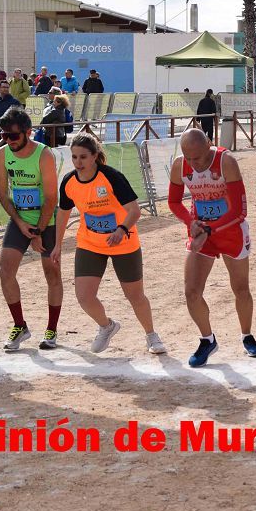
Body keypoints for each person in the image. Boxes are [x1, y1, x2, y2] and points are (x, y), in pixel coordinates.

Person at [51, 133, 166, 354]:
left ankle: (152, 336)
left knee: (135, 295)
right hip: (89, 242)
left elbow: (134, 210)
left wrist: (121, 229)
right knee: (84, 297)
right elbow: (63, 214)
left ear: (95, 156)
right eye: (74, 157)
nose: (78, 163)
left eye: (83, 157)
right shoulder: (69, 182)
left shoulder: (112, 177)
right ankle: (106, 326)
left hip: (123, 242)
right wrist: (57, 244)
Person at [167, 128, 256, 367]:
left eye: (198, 158)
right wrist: (191, 223)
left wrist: (210, 228)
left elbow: (239, 210)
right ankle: (207, 339)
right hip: (201, 230)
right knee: (191, 291)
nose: (193, 164)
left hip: (230, 230)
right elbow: (173, 201)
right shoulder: (180, 165)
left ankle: (247, 336)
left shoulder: (226, 162)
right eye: (188, 157)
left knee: (241, 288)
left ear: (209, 145)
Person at [0, 108, 64, 351]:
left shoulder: (44, 155)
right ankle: (19, 325)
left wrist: (38, 232)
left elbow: (51, 198)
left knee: (52, 274)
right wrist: (20, 222)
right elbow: (2, 193)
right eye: (4, 135)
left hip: (47, 219)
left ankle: (52, 329)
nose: (9, 140)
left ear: (28, 132)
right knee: (5, 271)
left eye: (13, 136)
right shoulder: (2, 154)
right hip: (20, 218)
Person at [0, 80, 23, 149]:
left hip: (10, 135)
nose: (6, 89)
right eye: (3, 87)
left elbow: (21, 118)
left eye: (7, 87)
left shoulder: (15, 102)